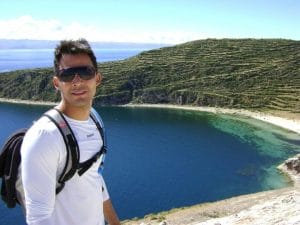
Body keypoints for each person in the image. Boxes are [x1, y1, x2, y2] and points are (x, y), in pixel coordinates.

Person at [16, 38, 120, 225]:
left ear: (97, 78)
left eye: (84, 72)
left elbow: (94, 178)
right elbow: (38, 218)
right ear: (57, 83)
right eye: (67, 75)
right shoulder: (44, 137)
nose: (77, 81)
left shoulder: (95, 120)